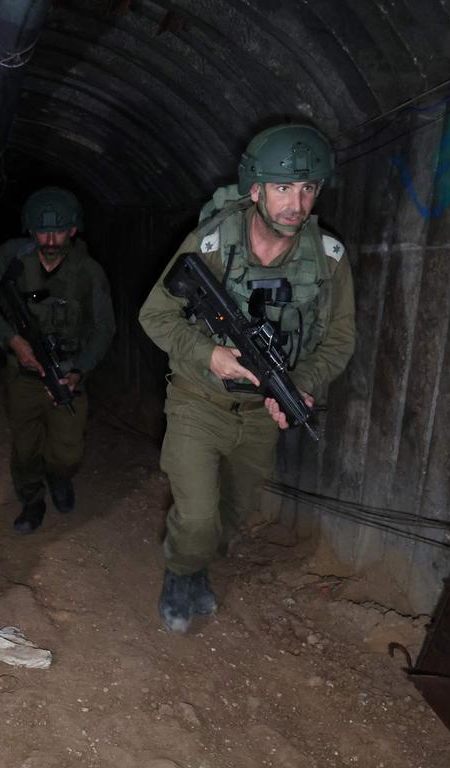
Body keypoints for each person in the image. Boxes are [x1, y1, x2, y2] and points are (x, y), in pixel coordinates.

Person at [138, 123, 356, 634]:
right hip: (198, 401)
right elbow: (155, 315)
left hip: (259, 417)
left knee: (231, 516)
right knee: (195, 515)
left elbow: (340, 339)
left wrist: (302, 384)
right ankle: (180, 572)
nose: (295, 204)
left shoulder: (328, 260)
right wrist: (209, 354)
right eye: (282, 188)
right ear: (255, 189)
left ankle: (197, 567)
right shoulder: (212, 242)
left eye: (307, 189)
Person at [0, 187, 115, 534]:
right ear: (31, 229)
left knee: (68, 450)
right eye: (43, 231)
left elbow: (103, 328)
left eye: (59, 231)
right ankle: (32, 499)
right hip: (23, 374)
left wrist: (79, 371)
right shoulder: (12, 258)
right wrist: (13, 340)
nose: (51, 239)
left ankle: (59, 477)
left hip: (67, 373)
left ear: (73, 230)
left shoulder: (88, 272)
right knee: (25, 447)